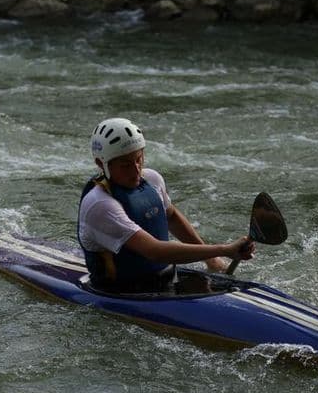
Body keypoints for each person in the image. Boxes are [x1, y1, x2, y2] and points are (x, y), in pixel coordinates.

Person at [77, 117, 254, 292]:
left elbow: (172, 218)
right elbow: (155, 251)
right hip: (123, 292)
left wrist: (212, 260)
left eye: (138, 159)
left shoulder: (152, 179)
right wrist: (224, 249)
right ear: (101, 164)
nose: (136, 170)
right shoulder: (100, 205)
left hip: (167, 278)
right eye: (125, 165)